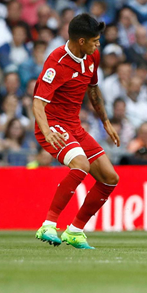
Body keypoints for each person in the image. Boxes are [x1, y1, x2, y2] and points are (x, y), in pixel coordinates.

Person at [33, 14, 120, 249]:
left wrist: (106, 122)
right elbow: (38, 103)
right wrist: (47, 131)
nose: (98, 44)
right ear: (81, 41)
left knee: (110, 178)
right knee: (80, 164)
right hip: (52, 125)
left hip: (74, 126)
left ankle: (75, 230)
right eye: (95, 40)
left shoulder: (93, 56)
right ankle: (48, 225)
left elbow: (93, 90)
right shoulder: (57, 61)